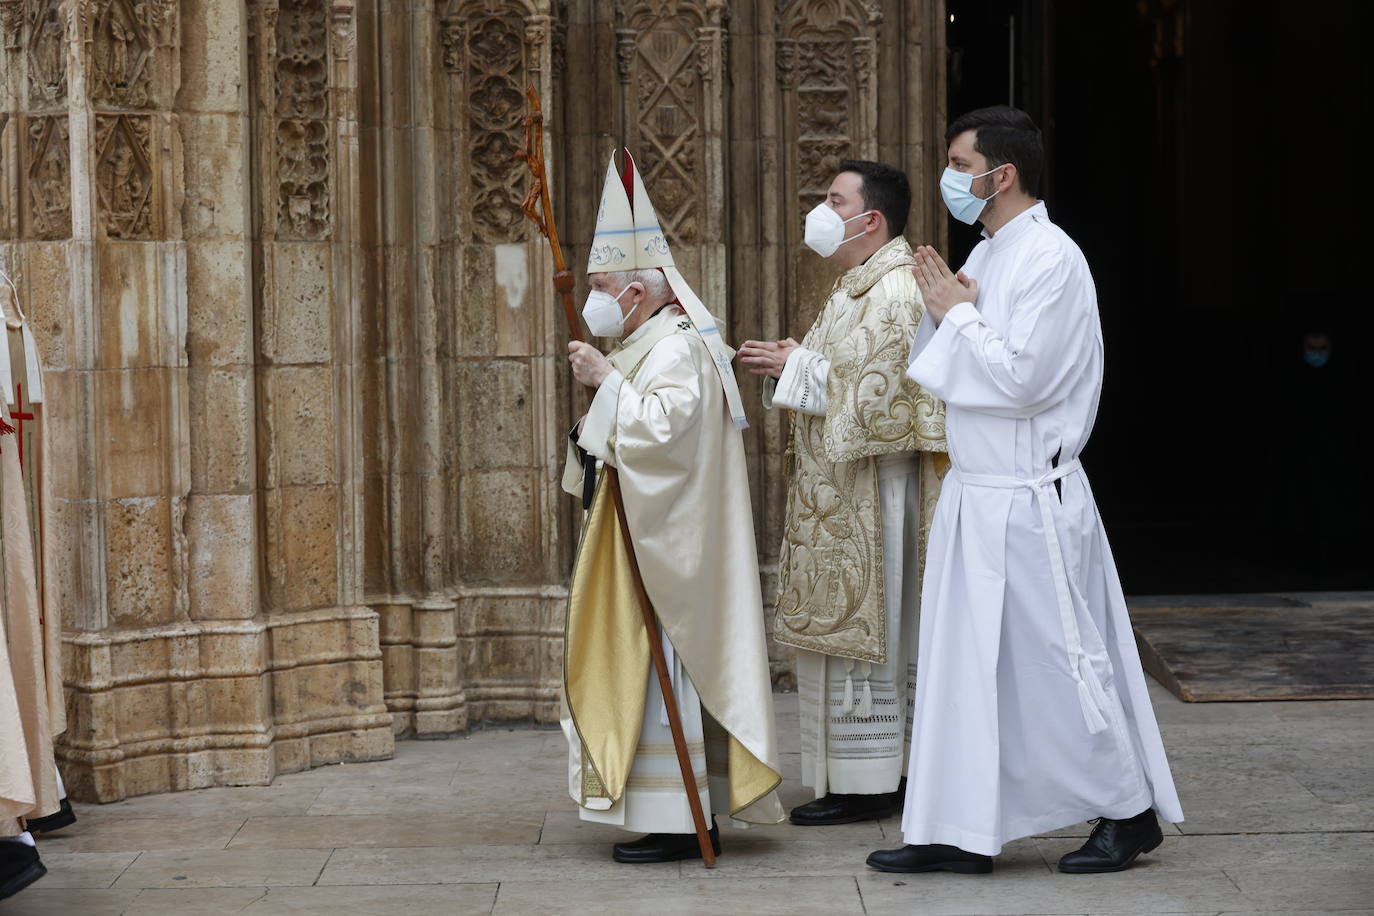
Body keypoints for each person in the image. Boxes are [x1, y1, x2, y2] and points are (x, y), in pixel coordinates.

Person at [867, 106, 1183, 876]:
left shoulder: (1052, 259)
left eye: (958, 161)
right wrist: (952, 315)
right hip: (978, 493)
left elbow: (1023, 380)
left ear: (999, 175)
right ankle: (958, 827)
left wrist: (958, 317)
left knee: (1059, 662)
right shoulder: (991, 250)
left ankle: (1127, 811)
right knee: (963, 667)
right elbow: (947, 365)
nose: (950, 177)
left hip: (1031, 495)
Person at [559, 151, 785, 864]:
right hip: (642, 535)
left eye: (601, 285)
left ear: (637, 290)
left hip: (672, 549)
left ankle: (682, 818)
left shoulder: (680, 348)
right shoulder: (646, 341)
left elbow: (665, 437)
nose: (594, 297)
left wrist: (605, 383)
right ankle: (673, 811)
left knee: (670, 665)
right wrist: (599, 410)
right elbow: (626, 439)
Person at [739, 161, 946, 826]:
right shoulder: (857, 287)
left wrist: (797, 365)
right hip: (842, 496)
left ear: (871, 218)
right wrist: (796, 360)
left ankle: (874, 780)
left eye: (834, 200)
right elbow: (845, 372)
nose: (821, 211)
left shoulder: (895, 292)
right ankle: (855, 777)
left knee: (877, 637)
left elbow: (883, 402)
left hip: (876, 497)